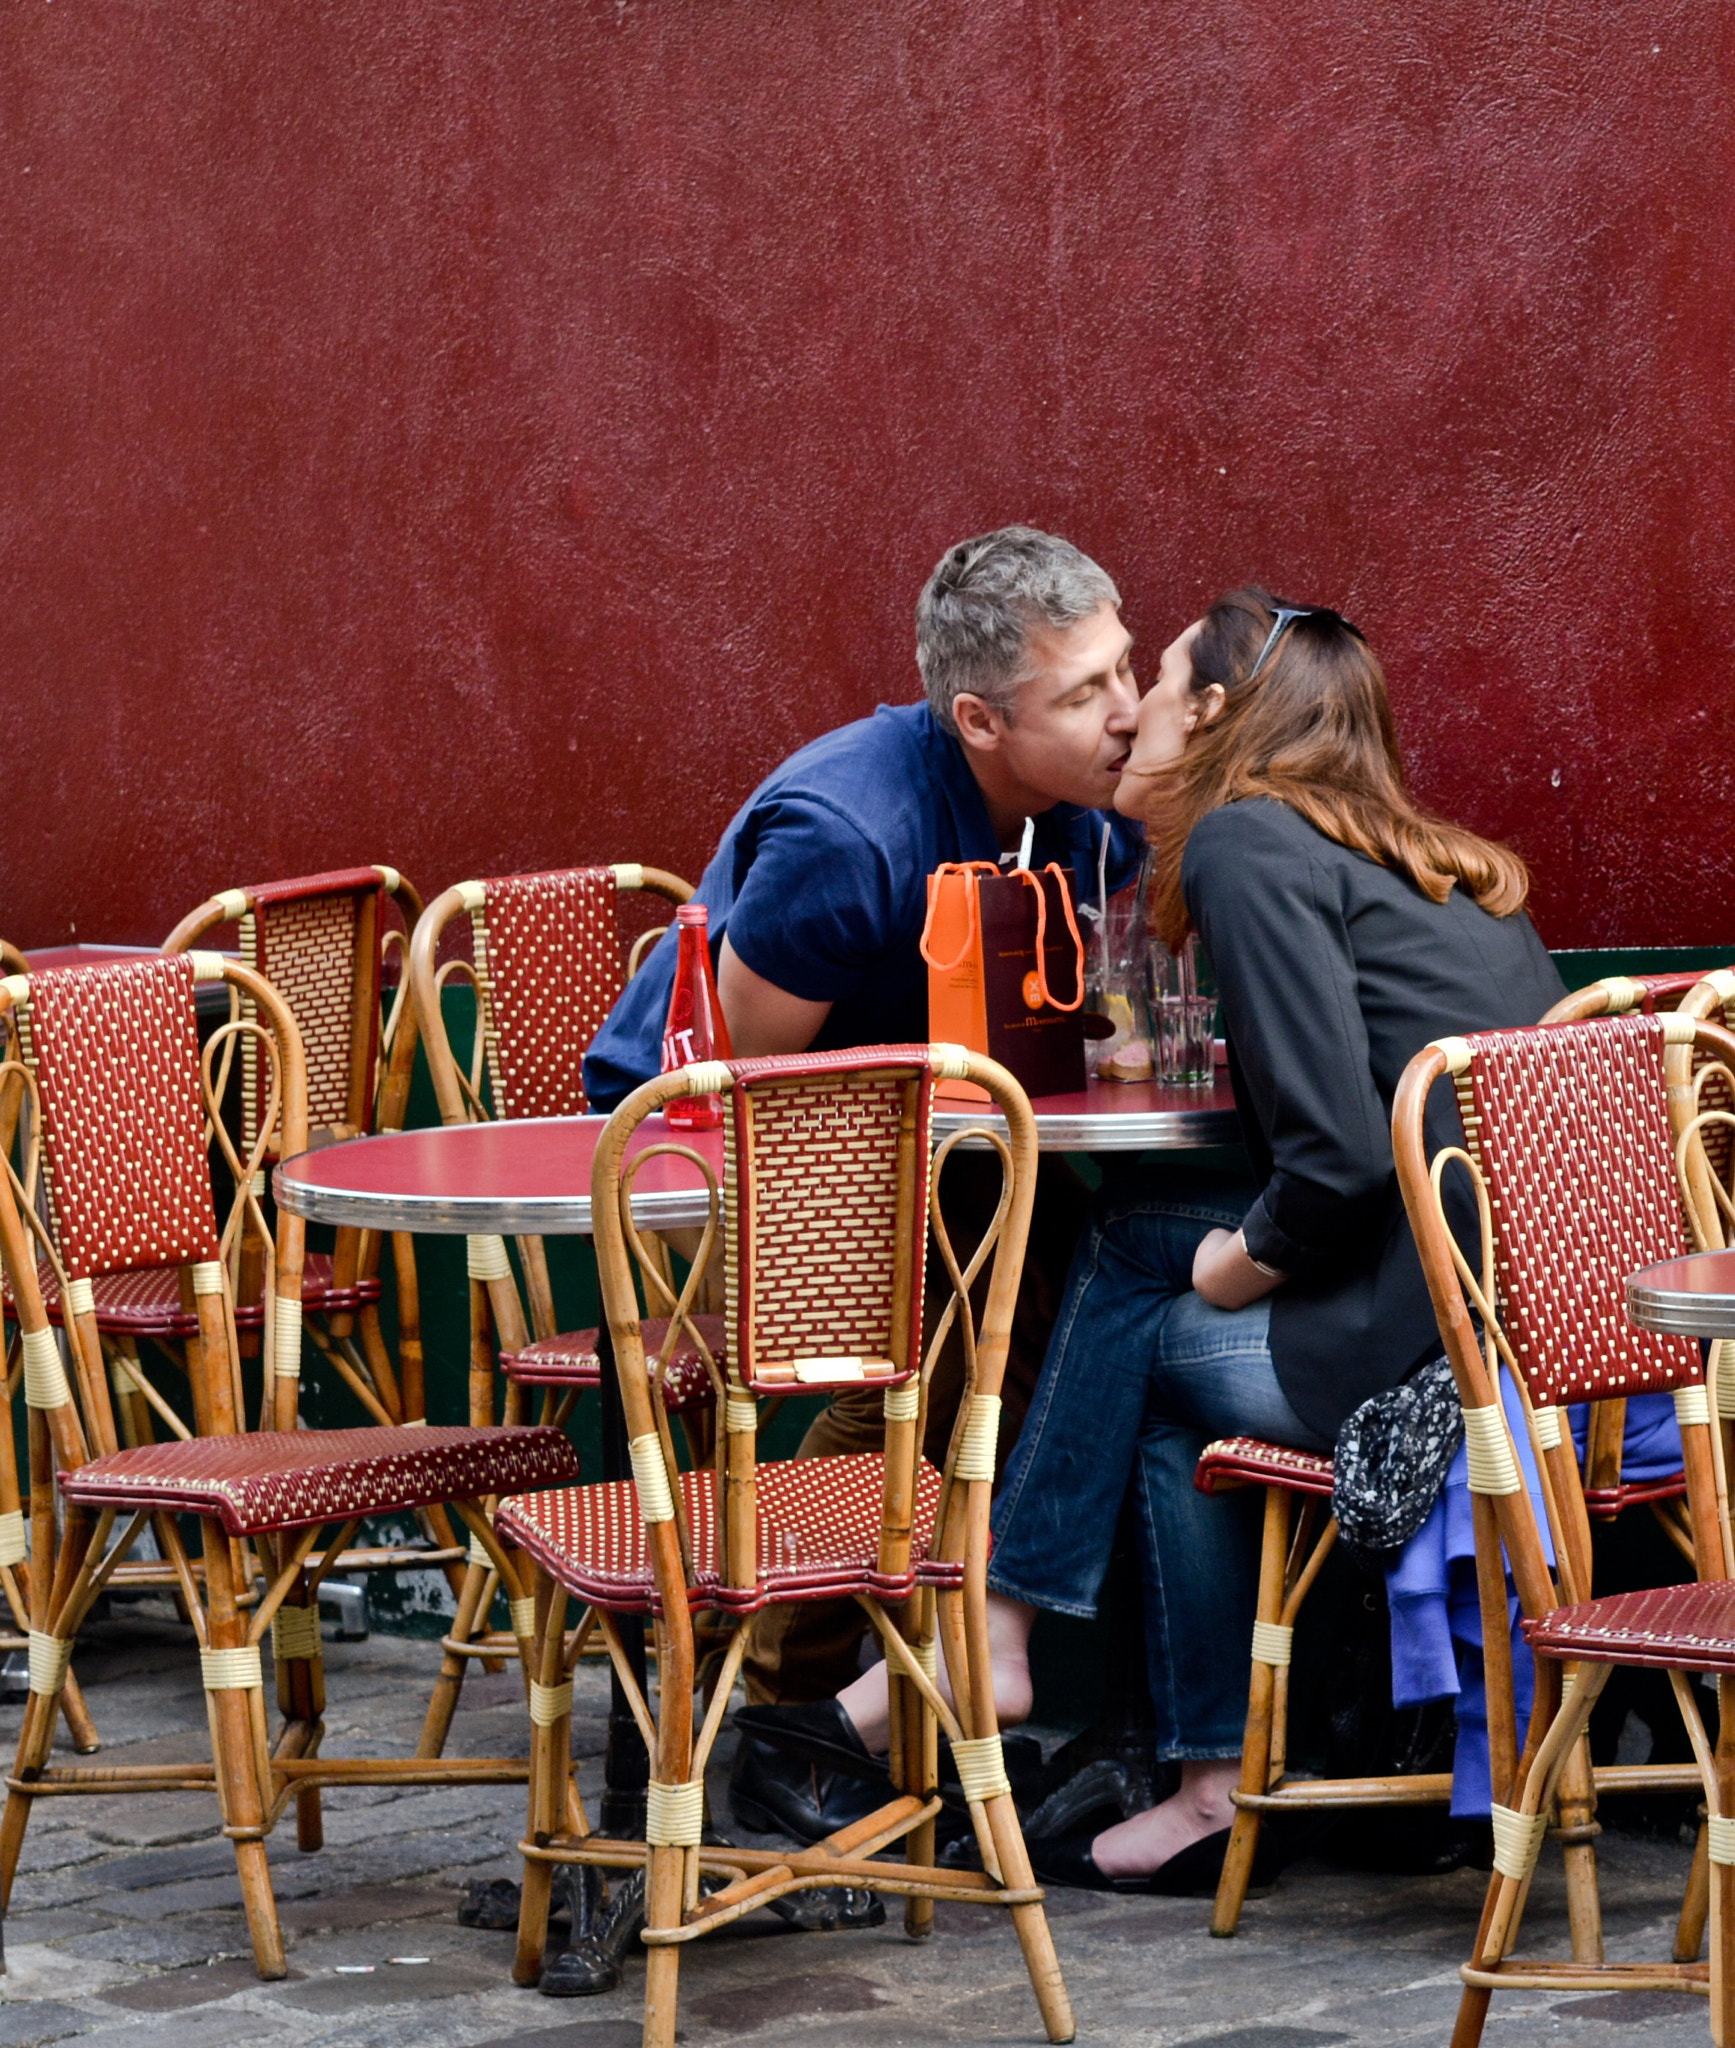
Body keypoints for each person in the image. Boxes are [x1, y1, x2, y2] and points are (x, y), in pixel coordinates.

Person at [765, 588, 1566, 1889]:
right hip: (1530, 1324)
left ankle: (1024, 1655)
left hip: (1431, 1355)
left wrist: (1229, 1265)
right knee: (1132, 1261)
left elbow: (1337, 1165)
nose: (1129, 707)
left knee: (1138, 1304)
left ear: (1213, 715)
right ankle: (1135, 1738)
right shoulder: (1414, 849)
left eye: (1157, 678)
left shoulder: (1247, 843)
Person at [582, 527, 1144, 1790]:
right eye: (1084, 693)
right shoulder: (854, 833)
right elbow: (738, 1098)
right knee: (938, 1331)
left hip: (926, 1154)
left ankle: (810, 1705)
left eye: (1127, 668)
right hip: (693, 1159)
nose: (1127, 712)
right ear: (979, 722)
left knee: (1060, 1292)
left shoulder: (1089, 814)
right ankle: (781, 1715)